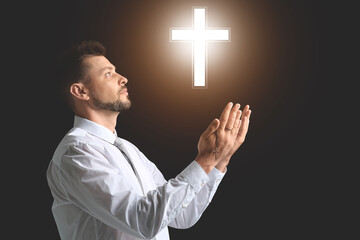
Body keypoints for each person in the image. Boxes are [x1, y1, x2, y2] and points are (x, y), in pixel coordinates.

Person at [47, 40, 252, 240]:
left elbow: (182, 215)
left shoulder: (128, 149)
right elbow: (144, 220)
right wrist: (205, 160)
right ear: (80, 91)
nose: (123, 78)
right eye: (108, 74)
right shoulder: (75, 152)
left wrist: (219, 161)